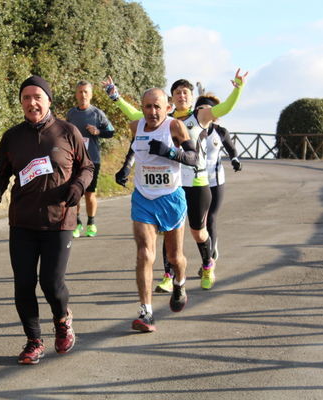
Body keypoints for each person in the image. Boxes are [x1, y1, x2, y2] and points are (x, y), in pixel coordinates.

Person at [103, 69, 247, 291]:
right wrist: (115, 97)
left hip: (197, 183)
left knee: (198, 232)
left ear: (191, 97)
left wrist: (238, 88)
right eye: (178, 92)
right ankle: (168, 276)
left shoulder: (200, 116)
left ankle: (208, 264)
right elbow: (134, 115)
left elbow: (224, 108)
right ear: (171, 100)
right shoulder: (161, 119)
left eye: (186, 92)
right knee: (167, 230)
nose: (182, 96)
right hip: (172, 185)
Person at [0, 75, 94, 364]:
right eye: (26, 98)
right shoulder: (12, 136)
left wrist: (78, 186)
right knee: (23, 283)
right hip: (22, 220)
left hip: (59, 219)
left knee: (51, 282)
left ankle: (62, 320)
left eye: (37, 97)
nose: (32, 102)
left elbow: (87, 167)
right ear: (20, 102)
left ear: (49, 100)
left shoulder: (67, 131)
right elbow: (2, 170)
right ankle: (33, 340)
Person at [114, 87, 199, 332]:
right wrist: (125, 168)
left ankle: (180, 283)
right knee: (145, 253)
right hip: (143, 198)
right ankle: (146, 312)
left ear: (167, 107)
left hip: (171, 198)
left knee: (174, 257)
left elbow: (194, 159)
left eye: (157, 106)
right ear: (142, 107)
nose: (153, 112)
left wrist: (169, 151)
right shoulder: (136, 126)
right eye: (148, 107)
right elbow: (134, 149)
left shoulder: (174, 127)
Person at [66, 80, 115, 238]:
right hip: (75, 160)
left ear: (91, 94)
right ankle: (77, 222)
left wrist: (98, 132)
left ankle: (91, 223)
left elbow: (111, 132)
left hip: (92, 159)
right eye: (80, 92)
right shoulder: (71, 114)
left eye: (86, 92)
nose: (83, 95)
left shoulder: (97, 113)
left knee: (90, 193)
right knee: (75, 192)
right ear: (76, 94)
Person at [198, 94, 243, 261]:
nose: (203, 112)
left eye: (207, 109)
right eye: (200, 108)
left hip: (215, 181)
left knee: (210, 217)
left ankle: (210, 253)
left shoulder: (220, 131)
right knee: (197, 222)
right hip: (195, 182)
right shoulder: (191, 129)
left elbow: (231, 149)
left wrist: (235, 160)